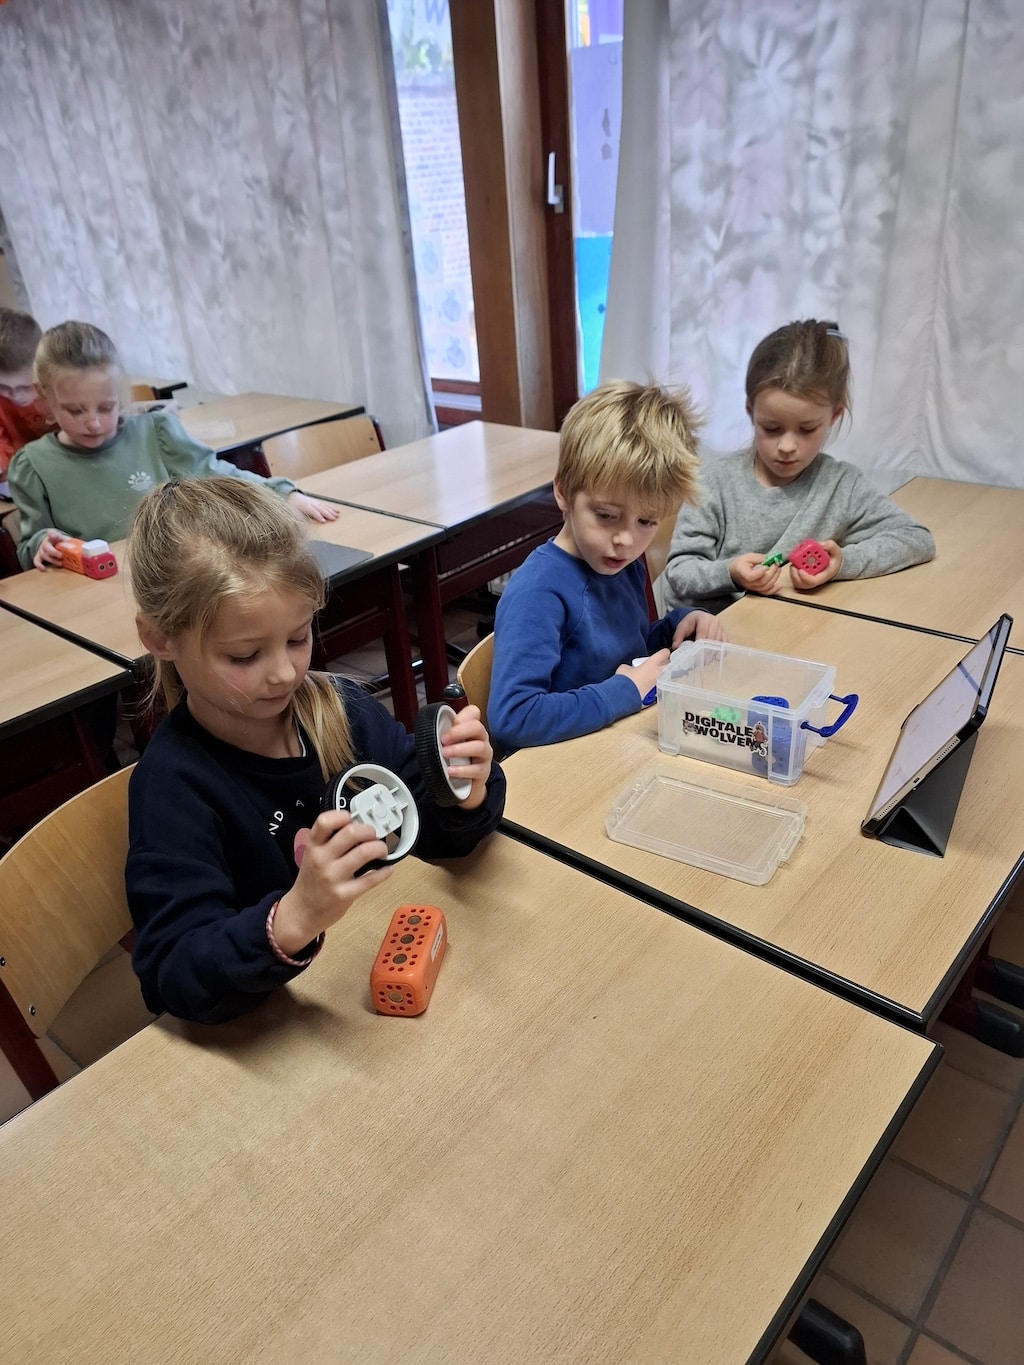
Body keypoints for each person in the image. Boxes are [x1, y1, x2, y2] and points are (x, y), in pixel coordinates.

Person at [125, 477, 506, 1024]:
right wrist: (294, 917)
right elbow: (173, 974)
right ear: (161, 639)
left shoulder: (342, 709)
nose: (285, 673)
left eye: (298, 638)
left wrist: (463, 789)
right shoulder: (173, 787)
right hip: (282, 1029)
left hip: (373, 994)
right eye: (245, 655)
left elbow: (433, 832)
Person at [488, 379, 725, 754]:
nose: (626, 540)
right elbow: (513, 719)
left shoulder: (621, 564)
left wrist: (677, 627)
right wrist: (624, 692)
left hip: (613, 744)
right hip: (559, 767)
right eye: (606, 516)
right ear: (564, 492)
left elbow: (622, 653)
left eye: (646, 521)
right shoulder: (538, 593)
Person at [10, 320, 341, 570]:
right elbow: (29, 548)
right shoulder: (33, 466)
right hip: (96, 591)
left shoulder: (156, 434)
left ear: (121, 393)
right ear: (44, 397)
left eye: (106, 407)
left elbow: (218, 475)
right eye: (75, 411)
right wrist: (41, 544)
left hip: (170, 575)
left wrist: (282, 493)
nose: (94, 423)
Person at [660, 319, 936, 613]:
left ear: (834, 416)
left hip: (793, 625)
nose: (787, 446)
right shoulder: (715, 482)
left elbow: (916, 538)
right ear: (751, 413)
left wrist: (841, 563)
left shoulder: (841, 486)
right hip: (713, 630)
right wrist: (730, 572)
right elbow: (680, 572)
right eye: (771, 428)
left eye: (806, 430)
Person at [0, 307, 57, 480]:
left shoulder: (61, 388)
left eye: (25, 387)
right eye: (3, 387)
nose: (15, 396)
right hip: (22, 475)